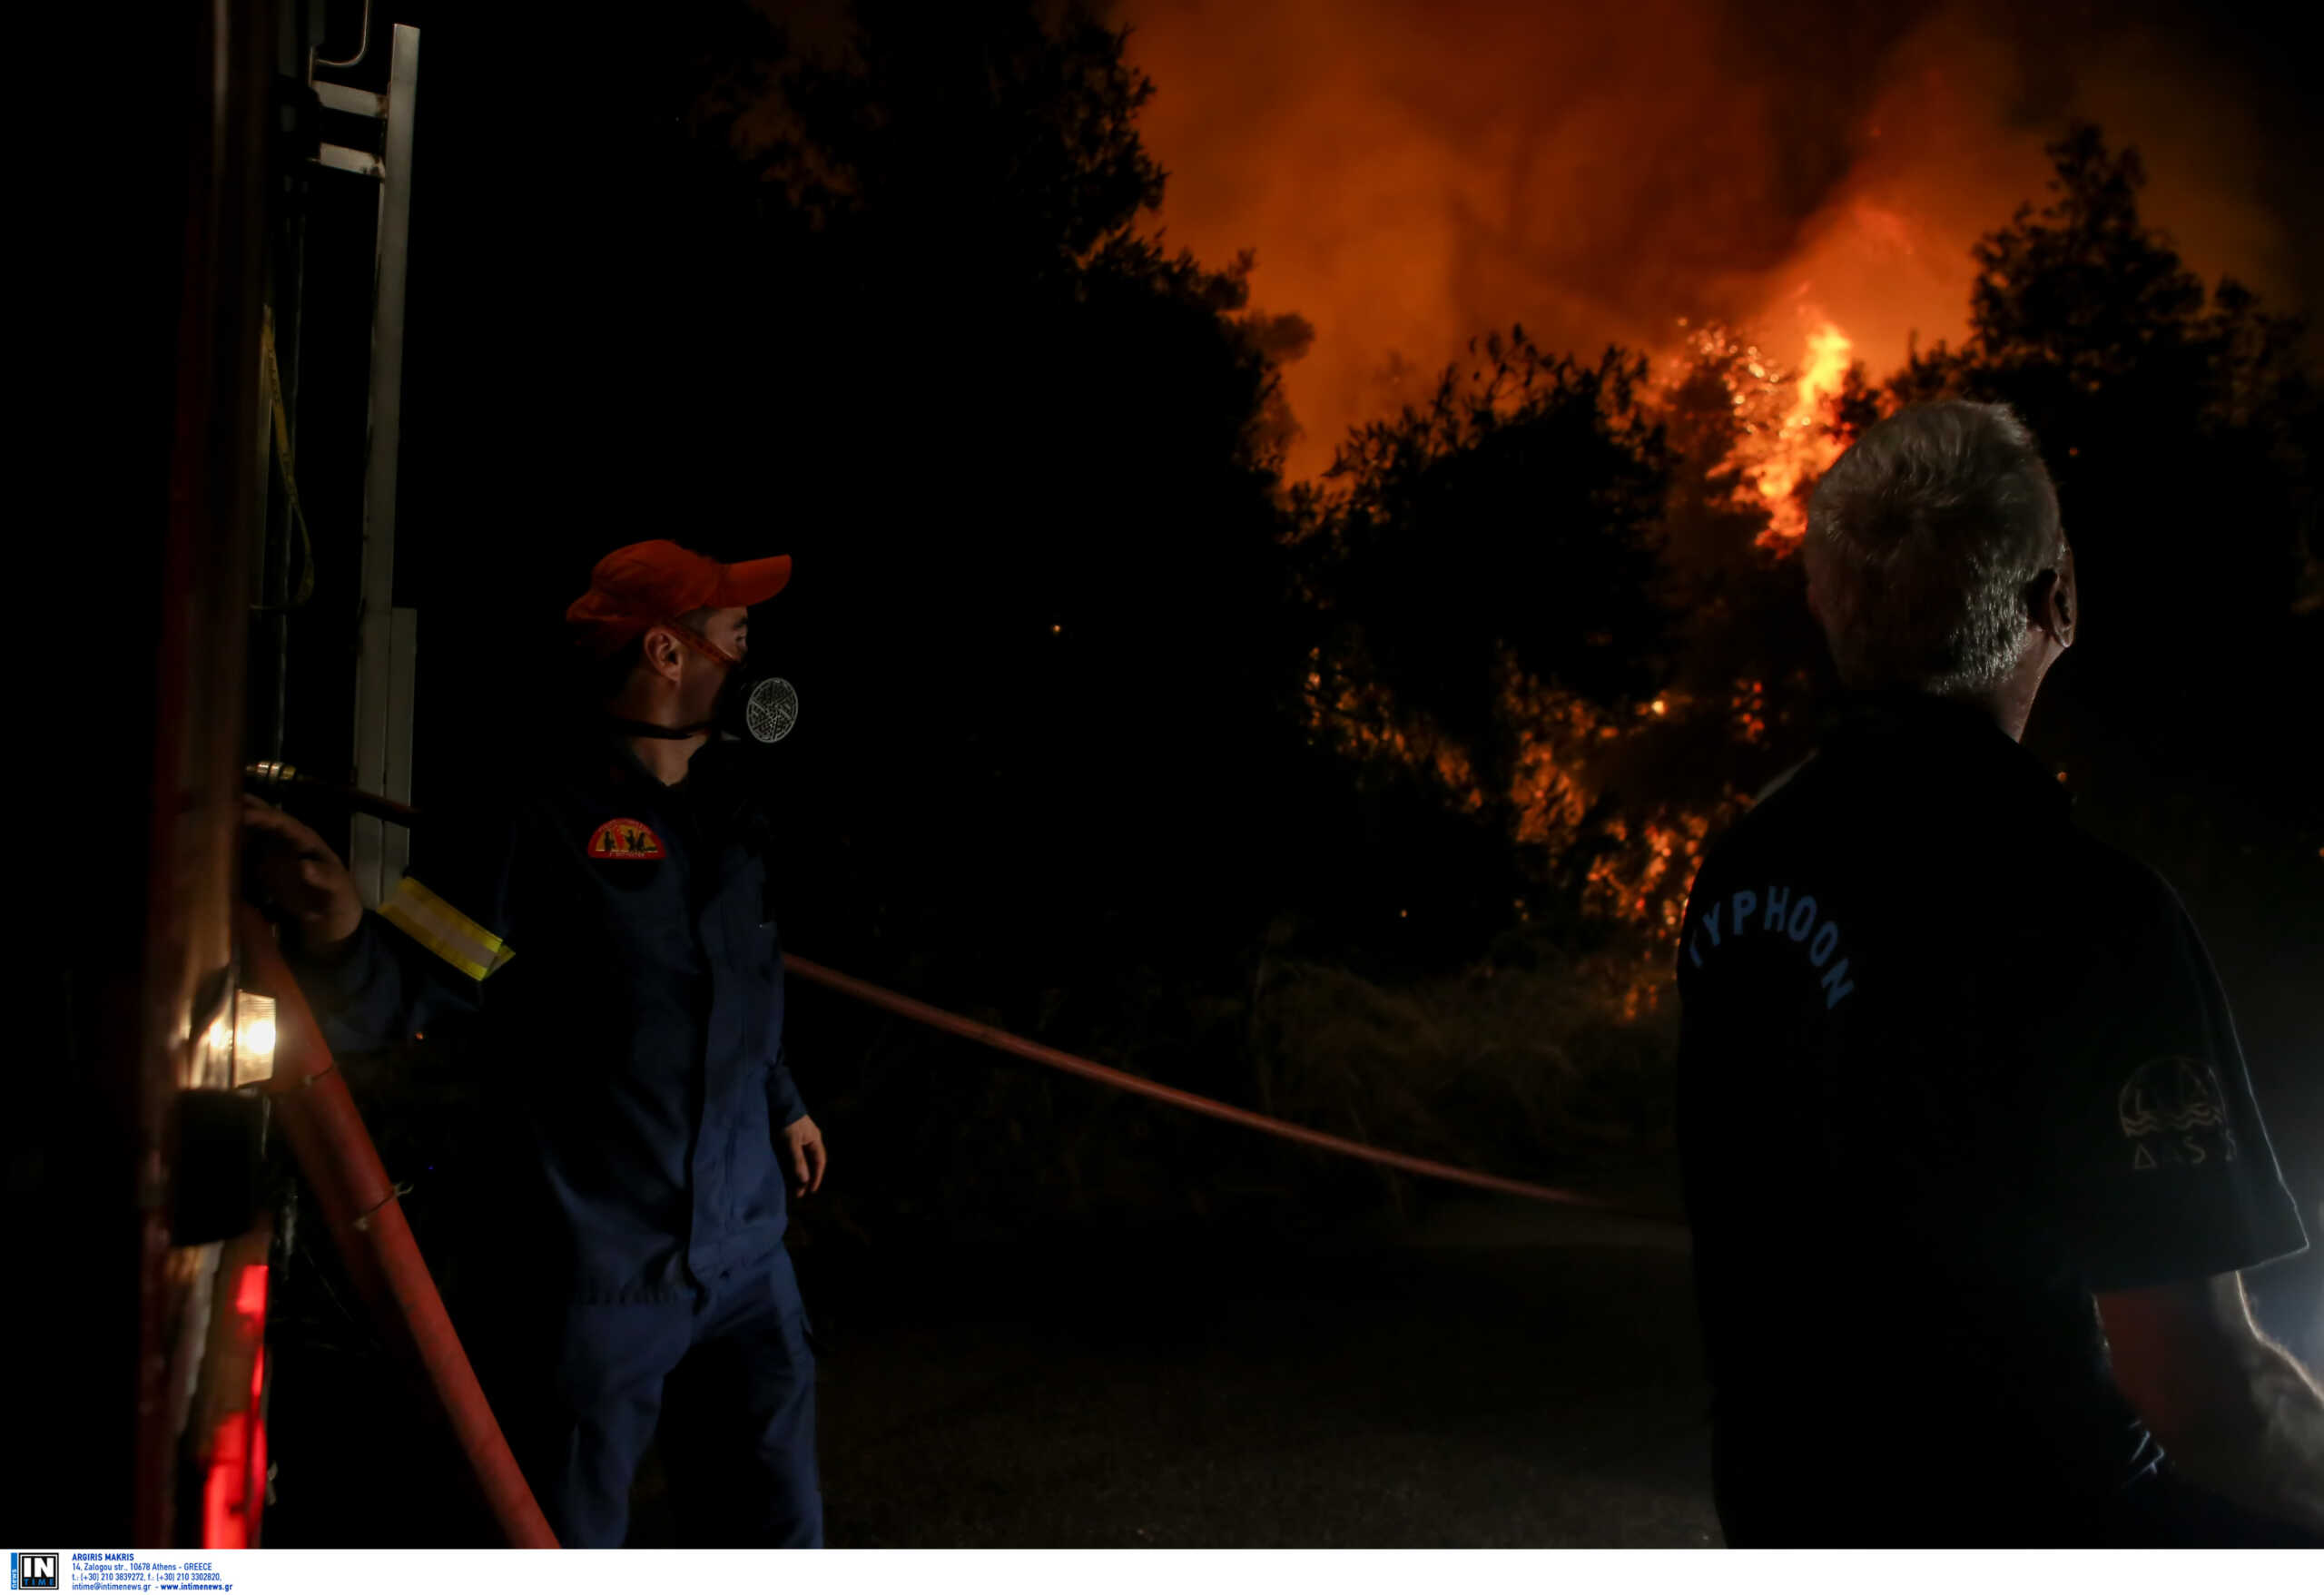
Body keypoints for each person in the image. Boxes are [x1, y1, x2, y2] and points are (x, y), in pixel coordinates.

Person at [1674, 400, 2322, 1547]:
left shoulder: (1739, 877)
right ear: (2055, 600)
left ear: (1828, 601)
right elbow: (2202, 1392)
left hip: (1791, 1521)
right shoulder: (2091, 915)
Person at [244, 539, 829, 1548]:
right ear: (667, 650)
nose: (754, 664)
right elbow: (405, 985)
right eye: (737, 638)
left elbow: (734, 989)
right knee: (559, 1542)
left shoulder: (733, 814)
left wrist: (781, 1097)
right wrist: (339, 930)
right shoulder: (530, 823)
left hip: (745, 1259)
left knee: (775, 1536)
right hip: (598, 1276)